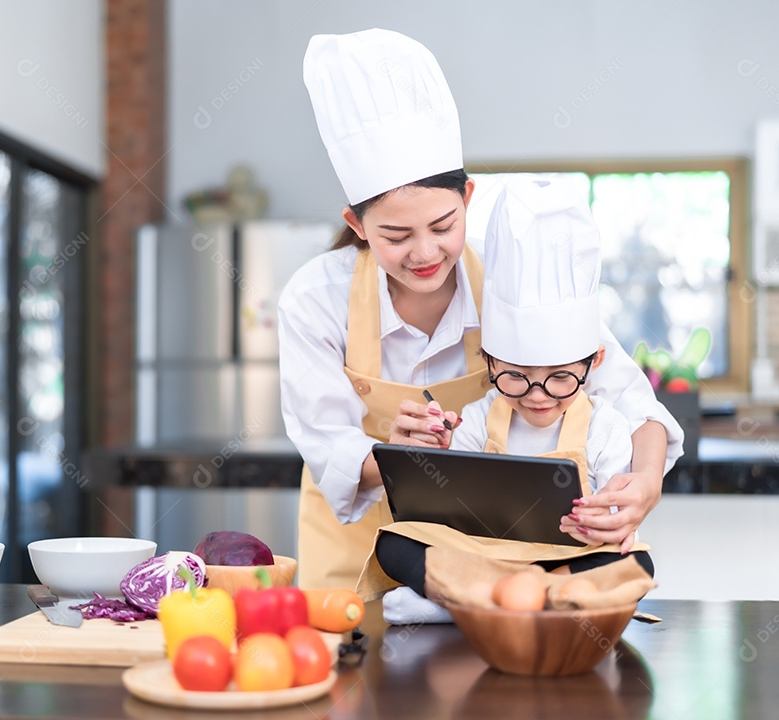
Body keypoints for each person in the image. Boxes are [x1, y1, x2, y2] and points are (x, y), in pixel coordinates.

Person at [280, 28, 682, 590]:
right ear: (358, 226)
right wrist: (393, 455)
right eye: (396, 235)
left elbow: (632, 403)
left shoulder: (514, 271)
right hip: (354, 559)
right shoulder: (314, 299)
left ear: (467, 200)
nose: (425, 254)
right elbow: (330, 447)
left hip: (494, 565)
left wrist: (645, 485)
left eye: (443, 226)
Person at [369, 175, 658, 620]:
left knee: (634, 562)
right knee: (395, 541)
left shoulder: (606, 428)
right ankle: (545, 600)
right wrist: (433, 455)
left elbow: (616, 506)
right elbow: (448, 502)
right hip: (484, 552)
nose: (538, 396)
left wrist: (605, 517)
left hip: (566, 555)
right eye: (516, 378)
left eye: (560, 378)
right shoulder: (479, 416)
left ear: (594, 362)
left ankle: (466, 601)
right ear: (489, 361)